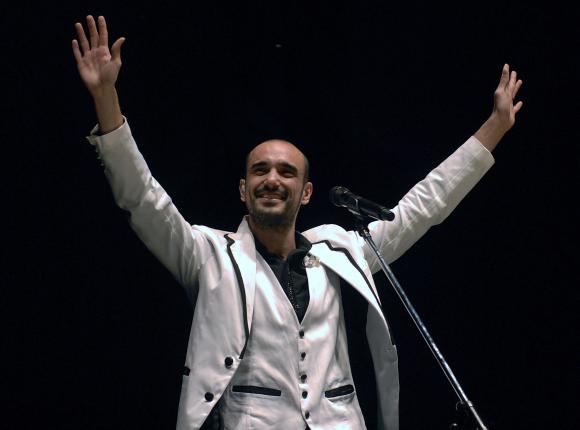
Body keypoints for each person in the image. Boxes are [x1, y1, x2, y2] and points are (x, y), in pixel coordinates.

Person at [72, 15, 523, 430]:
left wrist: (495, 128)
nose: (272, 179)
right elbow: (143, 200)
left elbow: (423, 206)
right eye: (260, 170)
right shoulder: (208, 255)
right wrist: (106, 98)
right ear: (243, 189)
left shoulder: (341, 250)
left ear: (306, 192)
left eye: (286, 172)